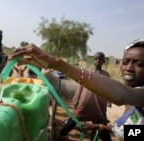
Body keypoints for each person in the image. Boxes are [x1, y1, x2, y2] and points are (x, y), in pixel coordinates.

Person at [9, 38, 144, 141]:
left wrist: (55, 62)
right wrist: (99, 127)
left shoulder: (132, 94)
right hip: (84, 105)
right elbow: (131, 132)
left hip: (98, 108)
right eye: (125, 62)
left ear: (103, 61)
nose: (129, 68)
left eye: (139, 64)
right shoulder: (134, 102)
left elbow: (120, 95)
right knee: (73, 122)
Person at [60, 52, 112, 141]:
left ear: (104, 61)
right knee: (75, 118)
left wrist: (109, 101)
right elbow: (80, 86)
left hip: (99, 104)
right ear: (93, 60)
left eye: (100, 59)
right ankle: (61, 133)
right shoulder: (87, 72)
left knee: (101, 123)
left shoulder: (106, 75)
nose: (98, 61)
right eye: (96, 59)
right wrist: (76, 100)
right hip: (85, 101)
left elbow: (108, 89)